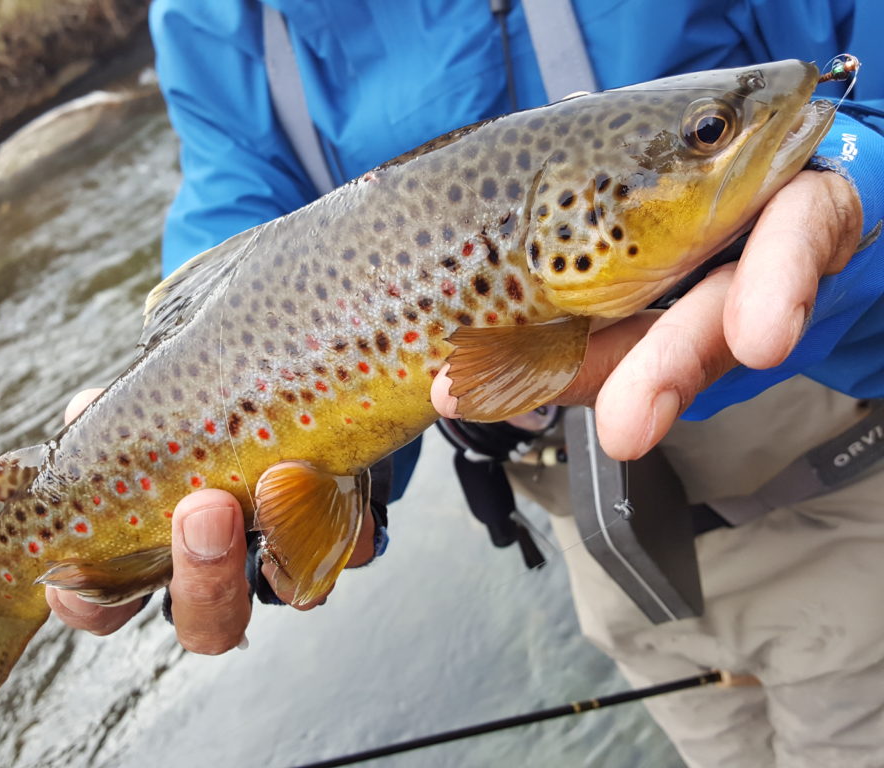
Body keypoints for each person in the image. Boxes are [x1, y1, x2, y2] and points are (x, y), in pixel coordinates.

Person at [49, 2, 884, 765]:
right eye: (709, 131)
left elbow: (856, 83)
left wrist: (859, 187)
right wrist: (265, 504)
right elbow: (243, 261)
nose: (716, 135)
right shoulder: (214, 19)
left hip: (835, 475)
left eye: (707, 132)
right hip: (609, 546)